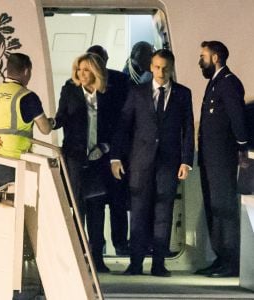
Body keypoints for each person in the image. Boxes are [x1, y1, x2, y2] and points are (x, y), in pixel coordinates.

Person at [111, 49, 194, 276]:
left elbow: (188, 128)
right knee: (138, 212)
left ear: (172, 67)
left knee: (163, 213)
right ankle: (135, 263)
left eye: (165, 67)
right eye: (157, 67)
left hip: (169, 162)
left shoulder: (183, 94)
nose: (161, 72)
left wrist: (186, 161)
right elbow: (124, 125)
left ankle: (159, 264)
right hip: (140, 162)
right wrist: (116, 157)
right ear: (151, 67)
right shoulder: (137, 92)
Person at [52, 53, 111, 272]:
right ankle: (78, 257)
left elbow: (114, 126)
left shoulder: (106, 94)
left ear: (95, 71)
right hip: (75, 157)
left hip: (98, 159)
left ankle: (97, 257)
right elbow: (61, 117)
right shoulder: (70, 90)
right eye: (78, 69)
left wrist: (105, 148)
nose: (81, 74)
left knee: (97, 208)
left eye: (86, 70)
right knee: (77, 208)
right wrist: (51, 122)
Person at [196, 41, 248, 278]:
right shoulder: (215, 83)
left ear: (215, 57)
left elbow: (237, 117)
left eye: (203, 56)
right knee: (213, 208)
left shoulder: (228, 83)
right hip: (210, 158)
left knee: (224, 208)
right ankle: (221, 257)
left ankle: (232, 260)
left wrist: (241, 147)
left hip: (223, 158)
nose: (200, 61)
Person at [0, 52, 54, 190]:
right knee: (20, 205)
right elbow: (45, 129)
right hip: (17, 161)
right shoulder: (28, 97)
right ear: (27, 71)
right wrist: (52, 122)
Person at [86, 45, 130, 255]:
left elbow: (127, 117)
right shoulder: (80, 84)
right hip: (92, 153)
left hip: (116, 150)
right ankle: (97, 246)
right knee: (95, 203)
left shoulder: (120, 81)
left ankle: (120, 244)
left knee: (117, 201)